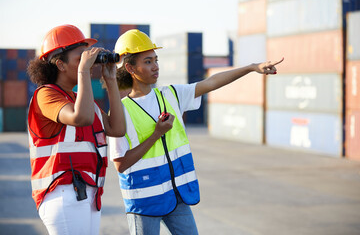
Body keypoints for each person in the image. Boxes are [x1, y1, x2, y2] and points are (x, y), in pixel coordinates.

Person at [109, 29, 283, 235]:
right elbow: (121, 164)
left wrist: (252, 68)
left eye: (156, 60)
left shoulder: (171, 94)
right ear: (129, 67)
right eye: (147, 61)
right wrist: (156, 134)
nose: (155, 66)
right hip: (145, 202)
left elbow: (211, 82)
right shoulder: (121, 111)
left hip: (177, 197)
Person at [27, 24, 126, 235]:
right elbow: (81, 118)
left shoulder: (80, 99)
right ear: (60, 65)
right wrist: (84, 71)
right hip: (61, 192)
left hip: (88, 193)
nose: (88, 63)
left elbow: (117, 129)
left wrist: (111, 80)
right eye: (80, 57)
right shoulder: (45, 95)